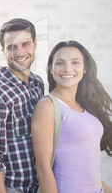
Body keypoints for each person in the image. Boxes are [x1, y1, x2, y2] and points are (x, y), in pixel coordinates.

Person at [32, 40, 112, 193]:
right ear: (50, 69)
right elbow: (43, 167)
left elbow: (86, 165)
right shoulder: (47, 106)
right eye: (60, 63)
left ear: (84, 69)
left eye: (75, 62)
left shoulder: (85, 105)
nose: (67, 69)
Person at [0, 18, 43, 193]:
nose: (19, 52)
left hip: (40, 185)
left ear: (35, 44)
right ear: (3, 50)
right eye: (12, 47)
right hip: (11, 188)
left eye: (25, 44)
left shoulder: (37, 83)